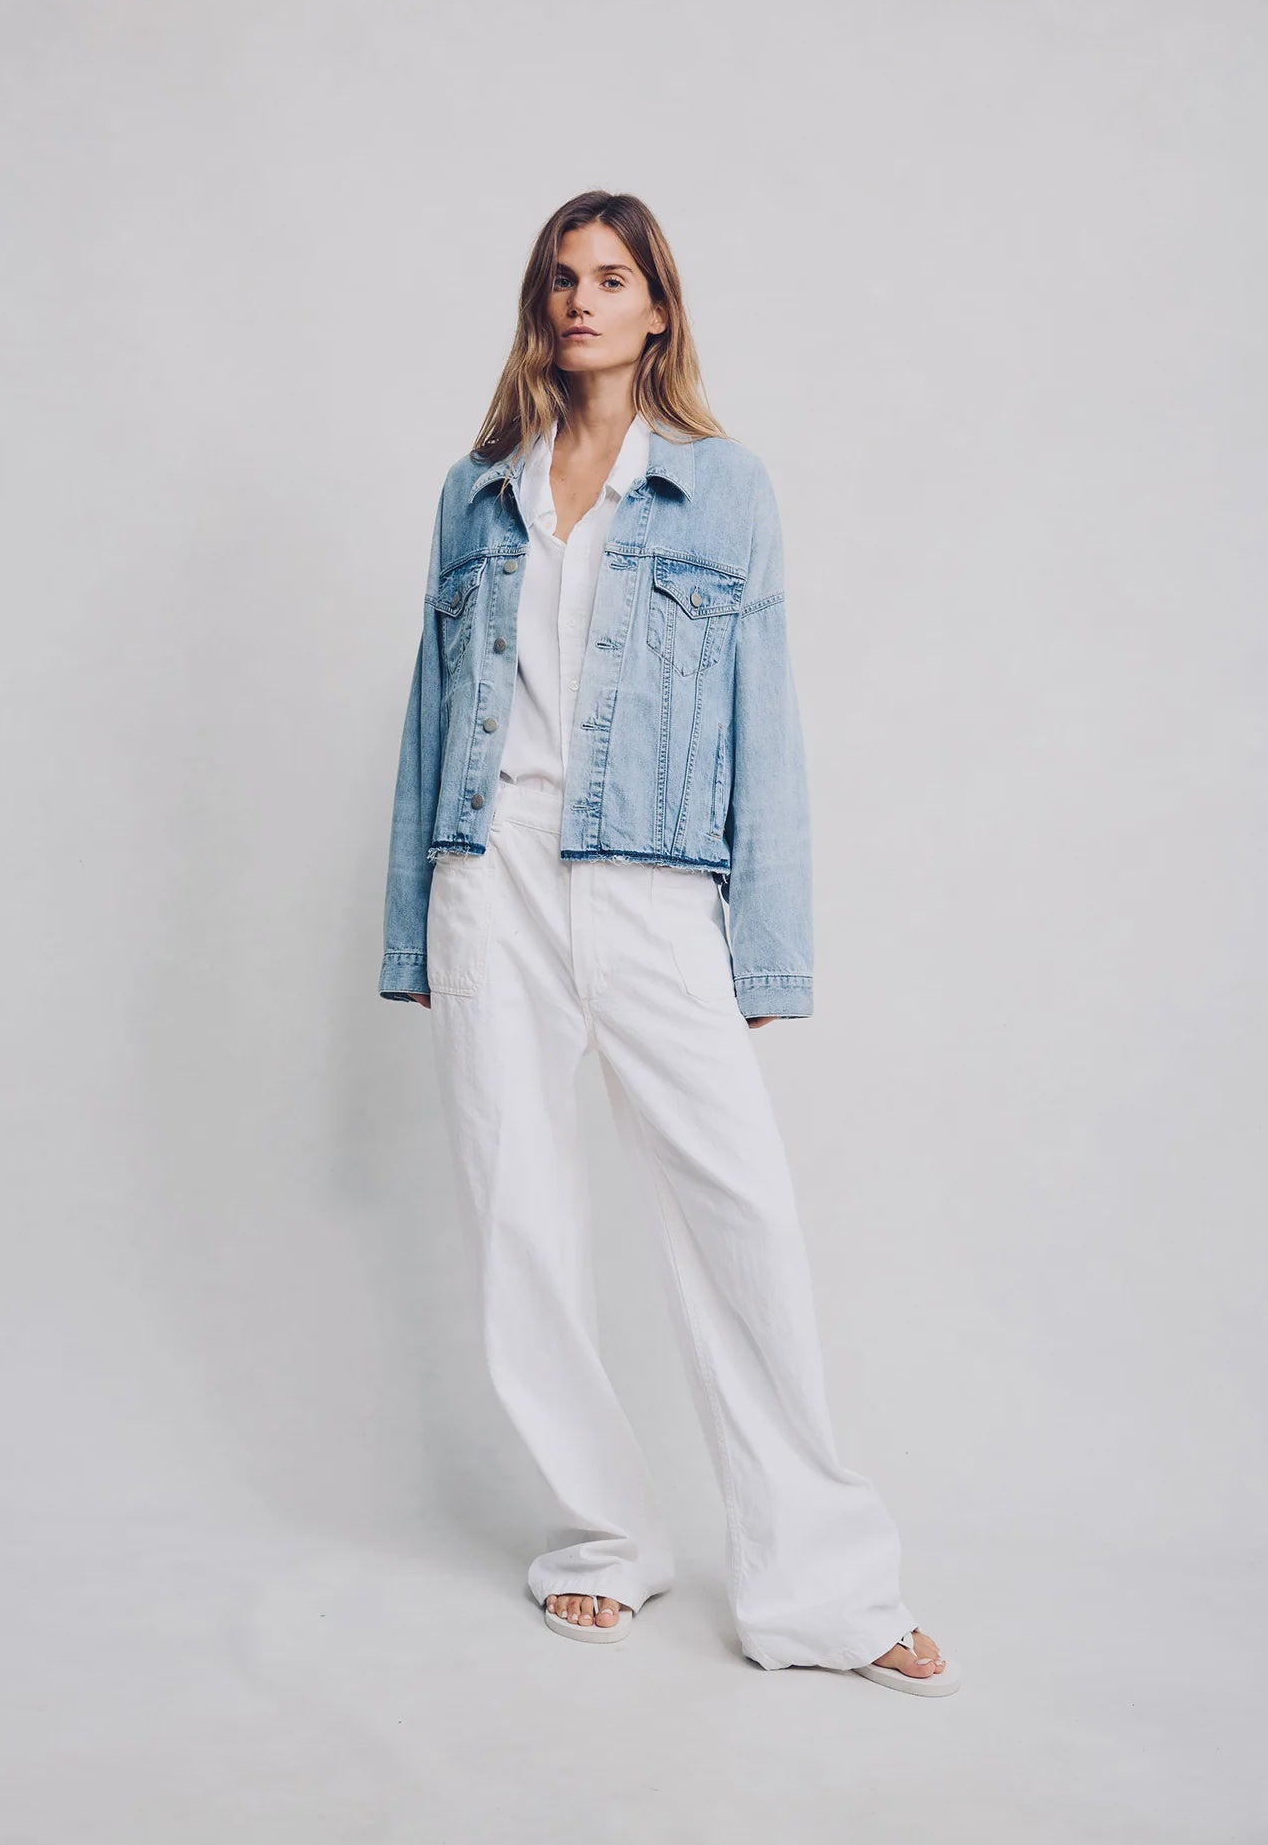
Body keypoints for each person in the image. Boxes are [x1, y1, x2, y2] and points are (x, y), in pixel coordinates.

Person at [379, 190, 959, 1696]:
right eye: (560, 278)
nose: (582, 299)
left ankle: (822, 1592)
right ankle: (603, 1538)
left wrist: (763, 945)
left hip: (649, 881)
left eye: (611, 277)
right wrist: (414, 928)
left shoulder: (723, 487)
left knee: (739, 1213)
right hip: (490, 870)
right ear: (539, 306)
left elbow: (766, 719)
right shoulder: (475, 493)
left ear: (657, 309)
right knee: (517, 1215)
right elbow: (430, 718)